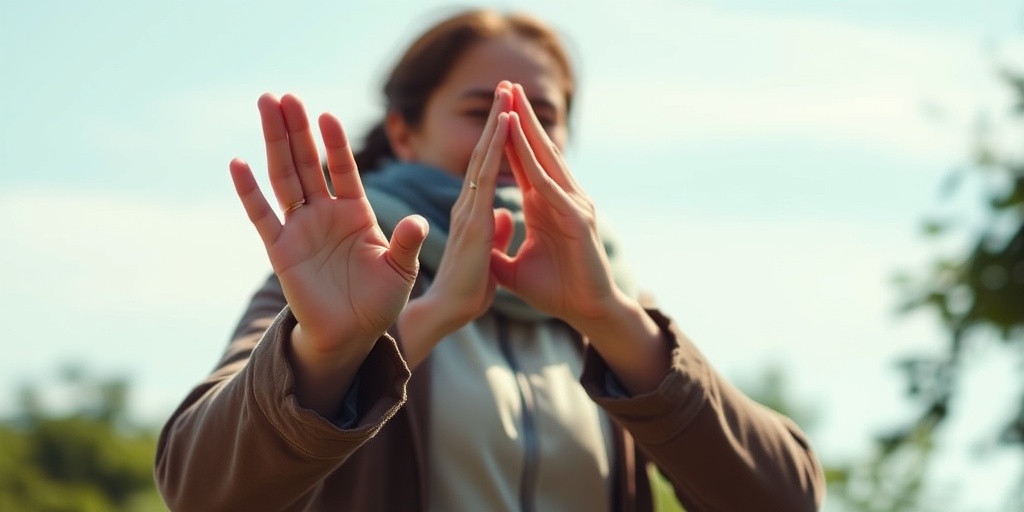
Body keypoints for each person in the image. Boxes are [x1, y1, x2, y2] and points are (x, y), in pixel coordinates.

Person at [155, 9, 825, 511]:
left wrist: (612, 319)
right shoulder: (331, 289)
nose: (510, 134)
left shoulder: (612, 294)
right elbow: (200, 491)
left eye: (542, 115)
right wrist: (350, 351)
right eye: (481, 111)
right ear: (402, 132)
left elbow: (785, 499)